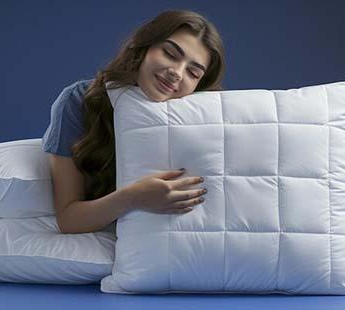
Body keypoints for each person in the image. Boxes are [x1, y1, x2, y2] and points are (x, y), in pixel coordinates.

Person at [41, 9, 225, 234]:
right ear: (145, 47)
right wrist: (133, 197)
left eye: (193, 73)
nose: (177, 72)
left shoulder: (203, 119)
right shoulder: (80, 101)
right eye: (170, 53)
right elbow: (69, 219)